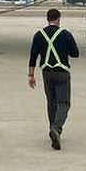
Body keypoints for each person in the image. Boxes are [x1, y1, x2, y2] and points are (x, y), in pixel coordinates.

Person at [28, 8, 80, 150]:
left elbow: (33, 56)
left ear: (47, 19)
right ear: (58, 19)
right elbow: (75, 53)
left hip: (47, 72)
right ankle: (56, 129)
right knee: (64, 103)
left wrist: (31, 75)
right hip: (62, 72)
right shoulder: (65, 34)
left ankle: (52, 128)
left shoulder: (39, 35)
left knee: (51, 102)